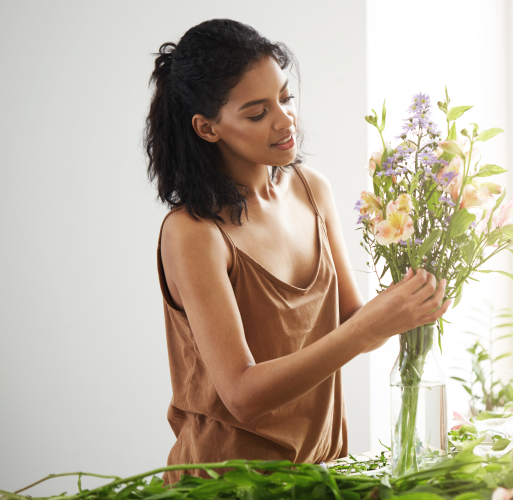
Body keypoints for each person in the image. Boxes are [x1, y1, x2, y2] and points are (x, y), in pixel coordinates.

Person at [144, 19, 451, 483]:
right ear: (207, 128)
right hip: (228, 488)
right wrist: (367, 328)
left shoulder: (312, 190)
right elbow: (242, 394)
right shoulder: (194, 233)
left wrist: (408, 305)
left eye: (285, 98)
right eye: (256, 112)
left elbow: (351, 321)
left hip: (319, 476)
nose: (285, 120)